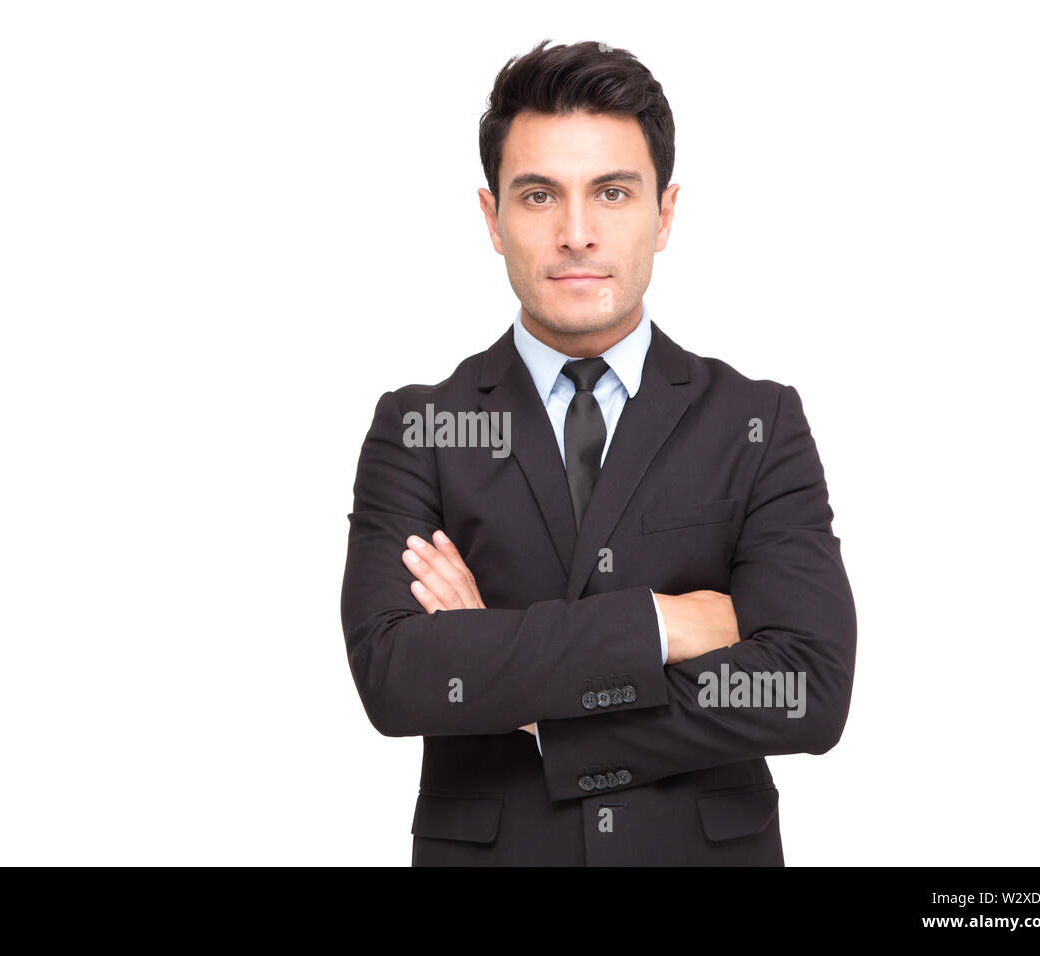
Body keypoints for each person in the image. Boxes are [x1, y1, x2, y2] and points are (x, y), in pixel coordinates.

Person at [340, 38, 857, 866]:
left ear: (665, 213)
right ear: (491, 217)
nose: (576, 233)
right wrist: (661, 624)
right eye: (539, 194)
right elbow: (399, 675)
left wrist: (523, 693)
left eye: (611, 193)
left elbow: (804, 690)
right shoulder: (420, 427)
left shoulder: (758, 422)